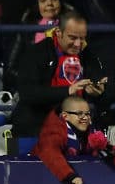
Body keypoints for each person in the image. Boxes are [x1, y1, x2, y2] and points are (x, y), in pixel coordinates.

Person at [12, 11, 109, 155]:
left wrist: (97, 90)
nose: (77, 44)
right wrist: (68, 91)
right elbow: (28, 93)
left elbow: (99, 81)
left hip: (77, 130)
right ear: (58, 32)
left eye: (82, 38)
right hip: (35, 128)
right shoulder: (36, 52)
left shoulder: (87, 54)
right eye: (72, 37)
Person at [33, 95, 115, 184]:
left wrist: (106, 150)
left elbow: (96, 147)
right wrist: (70, 176)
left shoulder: (91, 131)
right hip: (41, 181)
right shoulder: (53, 132)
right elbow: (51, 154)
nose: (85, 118)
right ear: (65, 116)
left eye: (87, 114)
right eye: (79, 114)